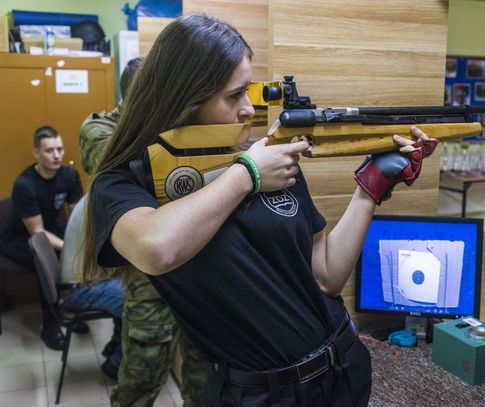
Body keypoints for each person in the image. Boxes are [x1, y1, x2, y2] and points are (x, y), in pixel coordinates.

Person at [81, 14, 438, 406]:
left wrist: (371, 187)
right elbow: (157, 248)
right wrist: (248, 174)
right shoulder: (126, 181)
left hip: (342, 369)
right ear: (185, 99)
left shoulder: (270, 161)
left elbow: (326, 276)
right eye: (234, 96)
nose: (250, 109)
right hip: (256, 394)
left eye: (248, 91)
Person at [80, 57, 207, 406]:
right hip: (144, 271)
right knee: (141, 377)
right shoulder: (100, 129)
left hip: (196, 262)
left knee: (204, 379)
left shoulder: (176, 128)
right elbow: (131, 174)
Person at [0, 125, 83, 350]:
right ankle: (51, 324)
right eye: (49, 150)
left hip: (50, 229)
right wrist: (68, 248)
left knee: (74, 256)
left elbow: (77, 217)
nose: (56, 155)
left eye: (59, 149)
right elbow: (37, 232)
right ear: (36, 152)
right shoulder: (25, 184)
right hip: (17, 239)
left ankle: (77, 307)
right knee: (45, 262)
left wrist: (80, 244)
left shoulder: (69, 175)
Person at [60, 196, 124, 380]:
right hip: (81, 288)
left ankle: (116, 351)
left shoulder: (98, 196)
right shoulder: (104, 202)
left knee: (135, 293)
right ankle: (118, 362)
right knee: (140, 303)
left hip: (82, 283)